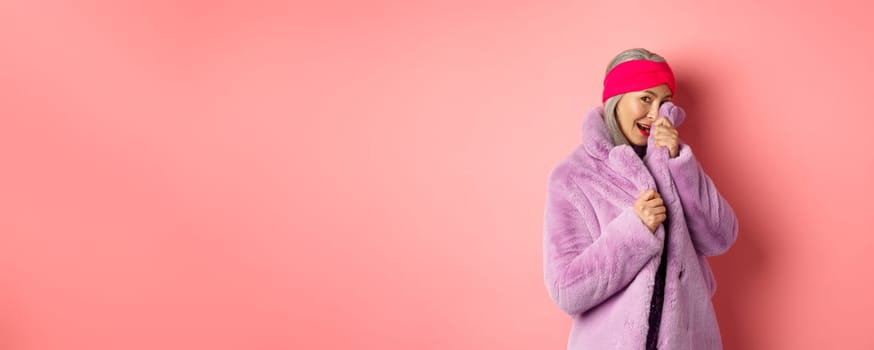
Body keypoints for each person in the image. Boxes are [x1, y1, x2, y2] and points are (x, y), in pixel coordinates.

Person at [542, 48, 739, 349]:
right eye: (645, 99)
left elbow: (720, 237)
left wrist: (680, 165)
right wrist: (634, 231)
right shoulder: (572, 178)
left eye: (664, 103)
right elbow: (566, 289)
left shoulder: (675, 159)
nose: (654, 113)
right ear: (617, 100)